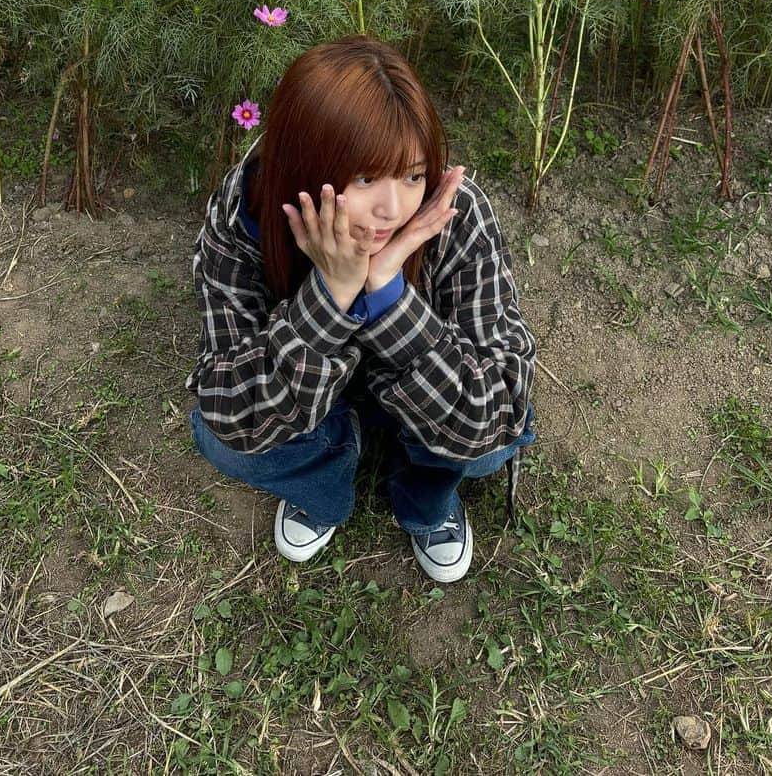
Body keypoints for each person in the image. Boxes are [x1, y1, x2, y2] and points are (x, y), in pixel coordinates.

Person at [186, 36, 537, 584]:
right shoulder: (242, 218)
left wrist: (389, 292)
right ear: (304, 163)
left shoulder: (453, 214)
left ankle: (425, 498)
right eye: (366, 177)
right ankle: (325, 479)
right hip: (314, 400)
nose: (393, 209)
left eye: (412, 174)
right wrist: (329, 293)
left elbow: (497, 412)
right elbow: (231, 406)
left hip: (425, 397)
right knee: (223, 440)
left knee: (487, 448)